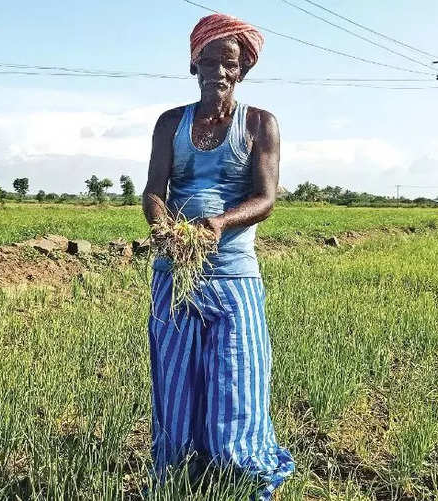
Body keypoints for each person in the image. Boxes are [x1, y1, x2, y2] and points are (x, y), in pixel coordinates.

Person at [141, 12, 295, 500]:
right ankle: (181, 467)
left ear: (243, 69)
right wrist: (164, 226)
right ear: (193, 65)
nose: (217, 73)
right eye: (207, 62)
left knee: (237, 376)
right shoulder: (171, 122)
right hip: (175, 272)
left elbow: (266, 198)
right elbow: (153, 189)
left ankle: (241, 468)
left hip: (233, 277)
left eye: (228, 63)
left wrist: (218, 225)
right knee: (175, 379)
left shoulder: (259, 123)